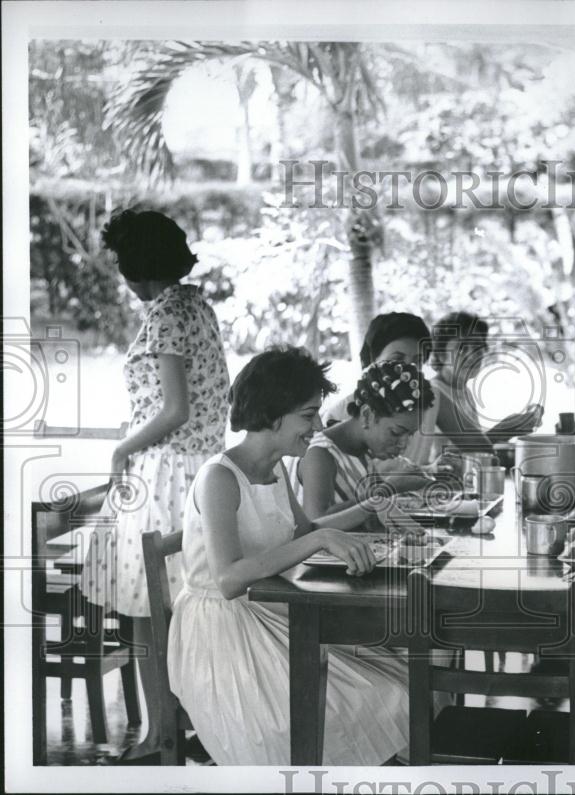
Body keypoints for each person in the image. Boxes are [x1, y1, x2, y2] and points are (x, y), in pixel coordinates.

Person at [167, 347, 411, 766]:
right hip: (222, 636)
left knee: (400, 678)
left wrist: (371, 509)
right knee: (373, 698)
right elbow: (228, 581)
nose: (317, 425)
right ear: (272, 413)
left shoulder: (276, 467)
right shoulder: (220, 477)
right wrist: (322, 540)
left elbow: (307, 533)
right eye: (308, 414)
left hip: (267, 613)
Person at [80, 209, 230, 764]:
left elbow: (174, 408)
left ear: (136, 265)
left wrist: (121, 449)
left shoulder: (167, 313)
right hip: (199, 471)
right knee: (189, 611)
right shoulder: (196, 306)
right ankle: (192, 727)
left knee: (148, 612)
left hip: (166, 473)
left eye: (120, 260)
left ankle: (161, 735)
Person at [294, 360, 436, 521]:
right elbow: (317, 520)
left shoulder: (363, 452)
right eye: (396, 433)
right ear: (367, 415)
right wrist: (389, 488)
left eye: (410, 435)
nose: (403, 444)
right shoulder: (320, 453)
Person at [321, 312, 440, 465]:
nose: (407, 370)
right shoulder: (337, 417)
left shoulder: (428, 401)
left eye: (418, 361)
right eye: (397, 360)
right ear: (372, 360)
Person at [428, 311, 543, 454]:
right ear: (441, 354)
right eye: (462, 348)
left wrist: (511, 430)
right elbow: (445, 458)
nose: (472, 355)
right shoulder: (432, 394)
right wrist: (500, 431)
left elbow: (472, 447)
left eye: (478, 347)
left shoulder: (465, 393)